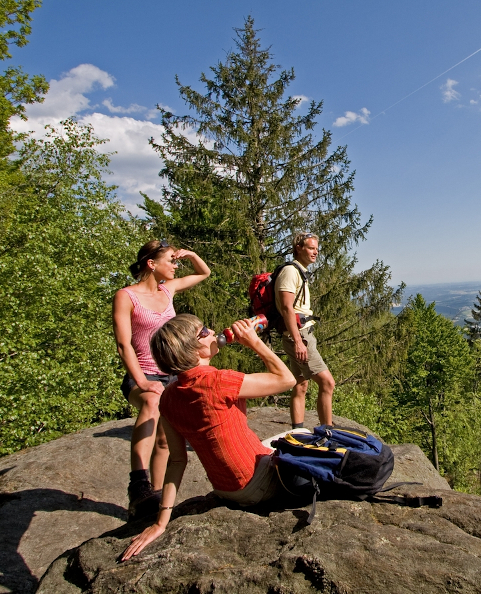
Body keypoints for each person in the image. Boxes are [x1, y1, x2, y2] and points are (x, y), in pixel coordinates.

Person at [119, 314, 297, 561]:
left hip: (226, 490)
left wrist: (161, 522)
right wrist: (255, 342)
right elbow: (287, 379)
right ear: (193, 352)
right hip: (258, 484)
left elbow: (177, 461)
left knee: (278, 441)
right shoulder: (219, 381)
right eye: (203, 332)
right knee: (303, 435)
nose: (212, 331)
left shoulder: (168, 397)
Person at [112, 240, 210, 518]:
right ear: (151, 264)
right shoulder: (126, 296)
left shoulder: (168, 290)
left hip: (172, 376)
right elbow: (123, 345)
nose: (176, 266)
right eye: (171, 260)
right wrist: (141, 382)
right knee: (152, 403)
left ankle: (151, 498)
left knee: (167, 441)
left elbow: (204, 273)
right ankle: (138, 484)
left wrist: (190, 254)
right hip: (142, 376)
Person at [276, 232, 335, 429]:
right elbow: (286, 308)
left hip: (299, 334)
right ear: (299, 248)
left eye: (317, 249)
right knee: (327, 383)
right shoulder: (291, 272)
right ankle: (328, 433)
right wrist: (298, 341)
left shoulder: (299, 271)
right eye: (311, 248)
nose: (315, 252)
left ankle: (298, 431)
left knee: (300, 384)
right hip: (299, 335)